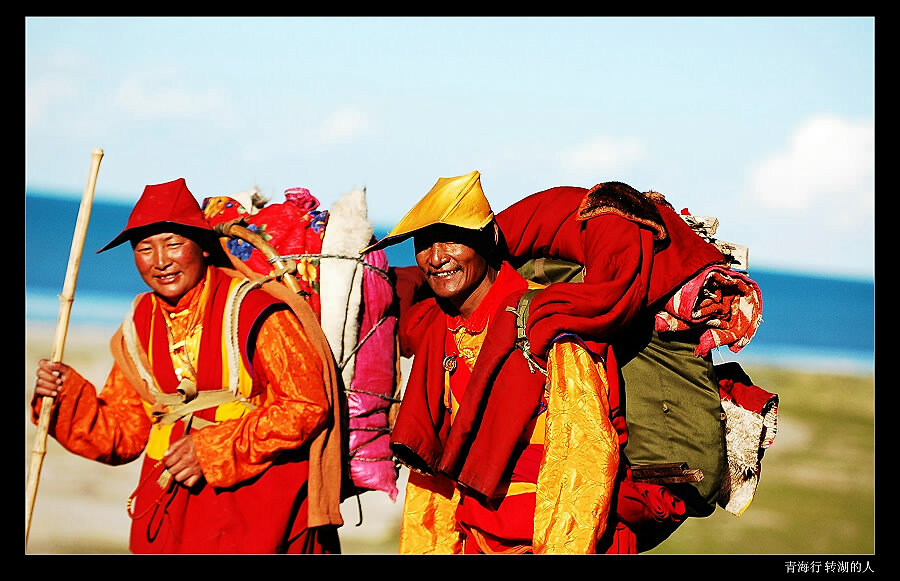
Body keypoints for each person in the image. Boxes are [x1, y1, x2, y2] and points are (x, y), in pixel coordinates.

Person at [364, 170, 689, 554]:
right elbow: (437, 468)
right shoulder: (443, 331)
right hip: (476, 539)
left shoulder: (549, 325)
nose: (436, 258)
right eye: (425, 243)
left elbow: (582, 458)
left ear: (485, 242)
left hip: (547, 540)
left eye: (452, 240)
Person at [31, 178, 345, 554]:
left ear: (202, 247)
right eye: (145, 248)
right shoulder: (141, 321)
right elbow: (125, 434)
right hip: (171, 515)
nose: (160, 261)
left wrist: (211, 449)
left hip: (256, 512)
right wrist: (65, 397)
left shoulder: (255, 311)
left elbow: (307, 405)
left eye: (173, 244)